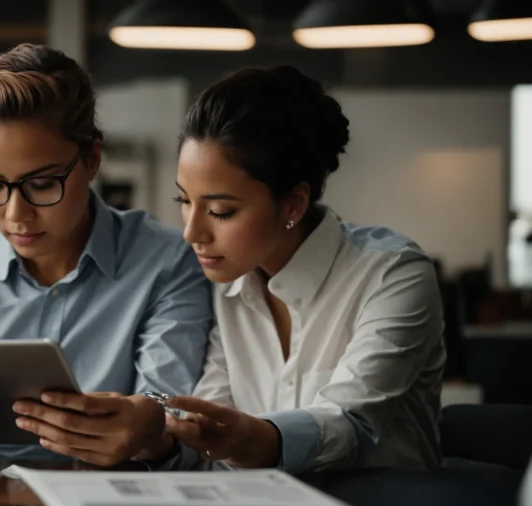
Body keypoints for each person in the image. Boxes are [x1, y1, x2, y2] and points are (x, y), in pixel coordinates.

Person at [0, 44, 213, 466]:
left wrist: (150, 426)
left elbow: (169, 406)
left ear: (92, 159)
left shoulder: (168, 263)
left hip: (109, 488)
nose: (15, 215)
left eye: (42, 185)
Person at [163, 65, 445, 473]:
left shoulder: (392, 275)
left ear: (293, 204)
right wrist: (157, 435)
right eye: (184, 201)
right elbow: (210, 425)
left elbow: (351, 425)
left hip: (382, 504)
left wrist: (251, 437)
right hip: (260, 505)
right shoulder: (227, 284)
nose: (191, 233)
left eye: (221, 211)